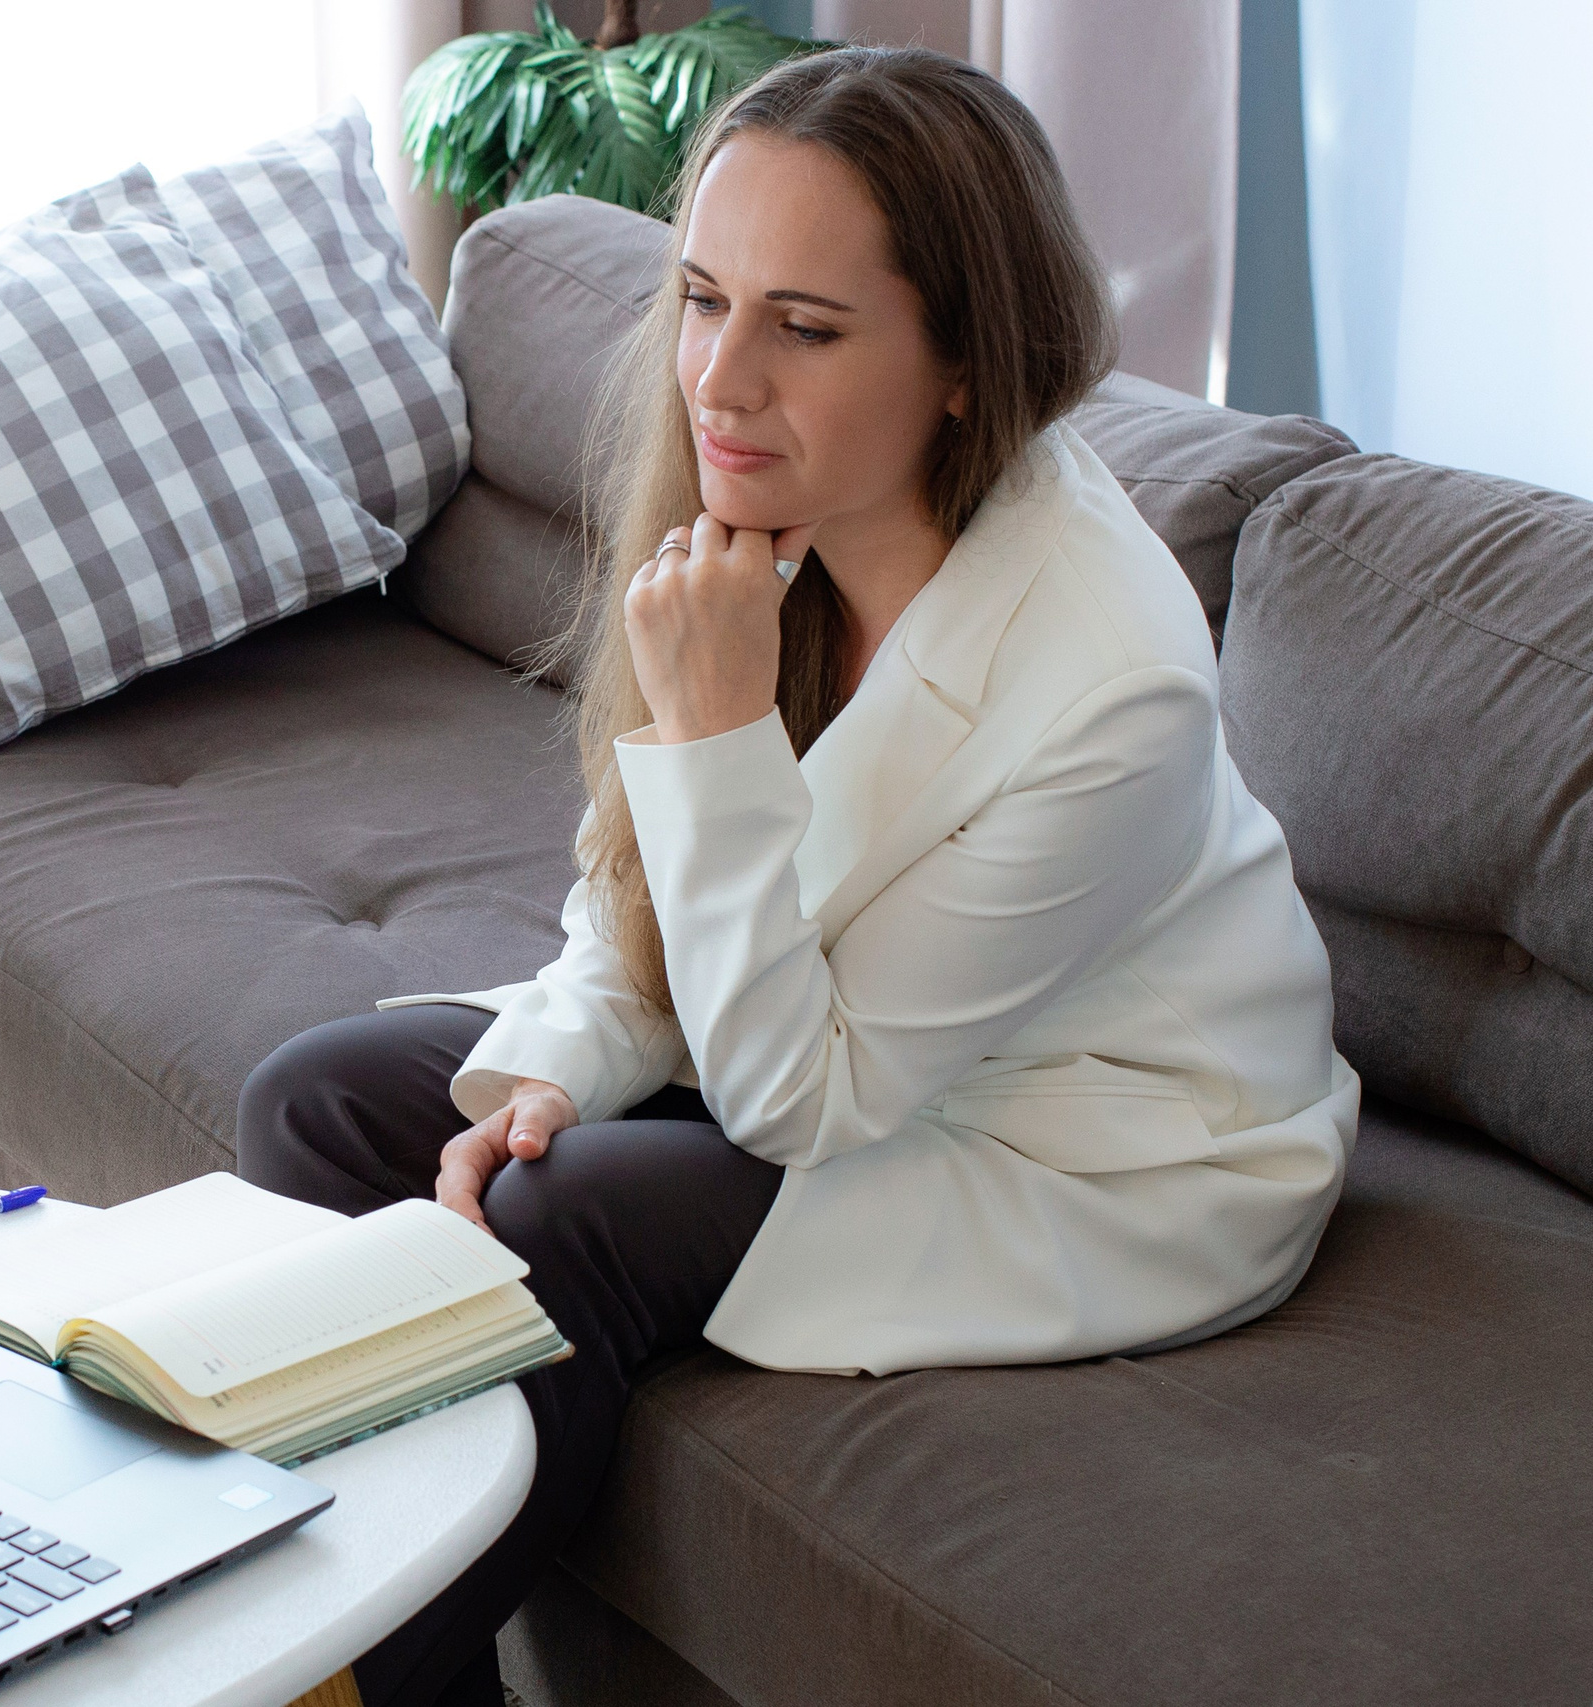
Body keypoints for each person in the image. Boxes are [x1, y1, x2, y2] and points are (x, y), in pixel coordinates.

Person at [235, 42, 1360, 1707]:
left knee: (556, 1235)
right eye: (702, 299)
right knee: (321, 1103)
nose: (720, 381)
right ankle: (314, 1633)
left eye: (805, 328)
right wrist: (549, 1074)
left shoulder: (1113, 682)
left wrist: (709, 728)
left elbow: (797, 1102)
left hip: (1080, 1138)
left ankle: (335, 1681)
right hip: (822, 1022)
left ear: (969, 362)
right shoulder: (766, 509)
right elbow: (635, 915)